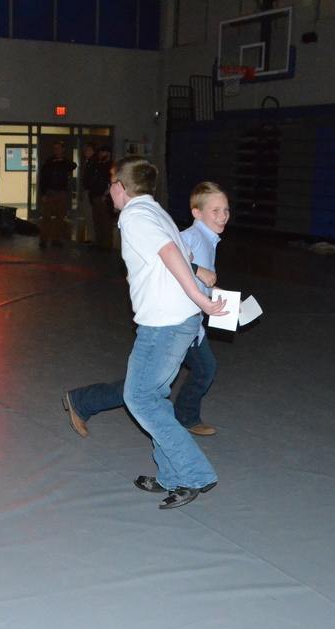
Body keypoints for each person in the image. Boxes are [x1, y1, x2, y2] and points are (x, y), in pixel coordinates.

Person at [63, 182, 229, 438]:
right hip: (175, 320)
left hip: (188, 322)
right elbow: (168, 258)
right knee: (149, 385)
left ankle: (185, 416)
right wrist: (197, 270)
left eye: (226, 210)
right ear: (197, 213)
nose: (223, 216)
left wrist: (225, 300)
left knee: (193, 371)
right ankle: (84, 401)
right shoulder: (193, 237)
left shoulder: (209, 240)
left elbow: (196, 279)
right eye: (215, 210)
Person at [112, 157, 228, 510]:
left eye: (110, 184)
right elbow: (183, 252)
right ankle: (170, 476)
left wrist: (200, 297)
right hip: (181, 318)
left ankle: (193, 473)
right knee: (156, 397)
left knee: (141, 398)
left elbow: (167, 251)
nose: (109, 191)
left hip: (164, 322)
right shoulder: (157, 211)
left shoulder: (134, 216)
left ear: (120, 185)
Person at [37, 141, 77, 249]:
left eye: (59, 148)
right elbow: (43, 178)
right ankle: (44, 239)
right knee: (46, 217)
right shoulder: (49, 162)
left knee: (60, 217)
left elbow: (73, 165)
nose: (57, 151)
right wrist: (43, 193)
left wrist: (62, 161)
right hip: (50, 192)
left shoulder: (66, 163)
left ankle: (56, 239)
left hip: (62, 192)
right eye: (55, 149)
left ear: (63, 150)